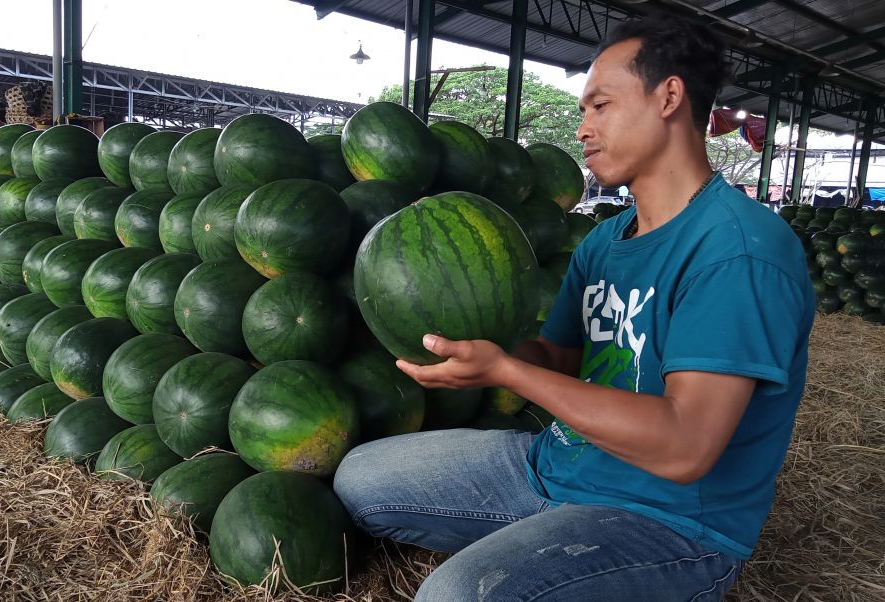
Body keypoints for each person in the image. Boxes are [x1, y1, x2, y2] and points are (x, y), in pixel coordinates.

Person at [333, 16, 815, 602]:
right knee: (359, 479)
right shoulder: (605, 240)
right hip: (554, 467)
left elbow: (686, 447)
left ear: (669, 96)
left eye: (600, 106)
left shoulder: (738, 250)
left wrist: (507, 373)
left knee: (455, 596)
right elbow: (557, 355)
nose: (582, 128)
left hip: (670, 523)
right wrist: (465, 345)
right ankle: (549, 546)